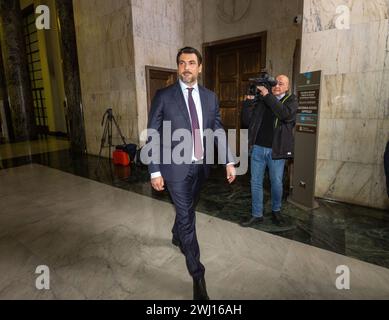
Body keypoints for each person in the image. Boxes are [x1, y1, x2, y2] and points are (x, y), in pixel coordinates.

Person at [146, 47, 236, 300]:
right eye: (182, 63)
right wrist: (154, 170)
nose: (187, 67)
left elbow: (217, 130)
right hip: (174, 168)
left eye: (192, 63)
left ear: (200, 67)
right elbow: (152, 133)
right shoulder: (164, 96)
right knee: (187, 216)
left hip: (201, 168)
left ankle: (176, 235)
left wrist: (229, 160)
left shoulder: (210, 97)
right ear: (177, 67)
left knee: (188, 210)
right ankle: (198, 277)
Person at [240, 75, 298, 227]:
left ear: (287, 87)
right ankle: (256, 214)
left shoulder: (291, 101)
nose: (277, 85)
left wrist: (267, 95)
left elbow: (285, 115)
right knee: (255, 182)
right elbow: (247, 121)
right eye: (275, 83)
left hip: (276, 151)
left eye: (281, 83)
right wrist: (248, 101)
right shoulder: (263, 101)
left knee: (276, 182)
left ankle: (276, 210)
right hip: (258, 148)